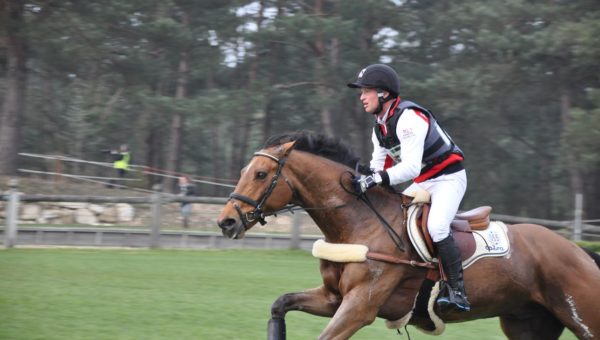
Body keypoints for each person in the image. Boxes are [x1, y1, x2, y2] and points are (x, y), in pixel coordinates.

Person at [347, 64, 470, 312]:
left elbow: (411, 168)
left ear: (383, 93)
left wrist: (375, 179)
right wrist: (361, 179)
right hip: (425, 181)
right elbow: (377, 166)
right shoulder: (379, 127)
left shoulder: (408, 119)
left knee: (436, 227)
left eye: (366, 91)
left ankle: (457, 291)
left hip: (448, 179)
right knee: (395, 219)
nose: (361, 97)